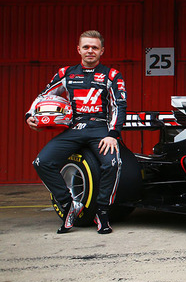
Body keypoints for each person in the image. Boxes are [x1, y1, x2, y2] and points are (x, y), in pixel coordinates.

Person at [25, 30, 128, 234]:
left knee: (113, 163)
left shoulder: (112, 75)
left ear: (102, 51)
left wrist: (113, 134)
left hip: (100, 128)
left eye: (95, 47)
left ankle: (102, 212)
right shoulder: (66, 73)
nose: (90, 51)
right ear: (78, 49)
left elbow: (120, 105)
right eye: (86, 47)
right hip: (74, 128)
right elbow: (44, 95)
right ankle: (69, 205)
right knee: (41, 162)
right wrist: (30, 115)